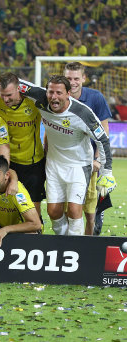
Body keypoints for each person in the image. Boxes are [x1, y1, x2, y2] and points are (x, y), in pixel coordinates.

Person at [18, 76, 116, 235]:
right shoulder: (41, 98)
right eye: (51, 92)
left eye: (59, 92)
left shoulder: (83, 113)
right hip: (54, 164)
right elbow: (14, 83)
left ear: (68, 94)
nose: (54, 97)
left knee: (74, 210)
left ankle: (74, 247)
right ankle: (63, 244)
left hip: (79, 165)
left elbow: (102, 139)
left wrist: (107, 171)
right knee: (53, 212)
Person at [0, 72, 45, 217]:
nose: (5, 99)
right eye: (2, 94)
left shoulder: (33, 101)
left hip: (33, 163)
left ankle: (36, 235)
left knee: (33, 210)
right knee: (0, 206)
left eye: (9, 95)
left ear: (18, 89)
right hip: (8, 161)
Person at [64, 62, 113, 235]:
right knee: (69, 209)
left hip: (91, 161)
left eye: (76, 78)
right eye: (68, 78)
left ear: (83, 78)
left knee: (91, 214)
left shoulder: (95, 97)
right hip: (67, 161)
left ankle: (91, 239)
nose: (72, 82)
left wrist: (98, 159)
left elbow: (104, 130)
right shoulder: (58, 97)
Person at [0, 155, 42, 248]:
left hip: (20, 228)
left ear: (7, 175)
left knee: (31, 237)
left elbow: (36, 224)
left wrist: (6, 230)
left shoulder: (17, 192)